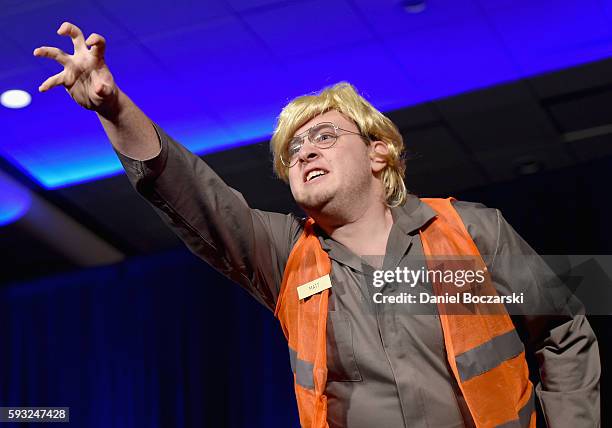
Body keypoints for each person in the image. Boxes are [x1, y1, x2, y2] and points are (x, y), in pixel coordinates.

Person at [34, 22, 600, 428]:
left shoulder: (471, 231)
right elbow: (190, 192)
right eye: (293, 149)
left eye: (324, 136)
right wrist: (114, 108)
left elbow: (563, 330)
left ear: (380, 154)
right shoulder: (286, 256)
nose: (304, 152)